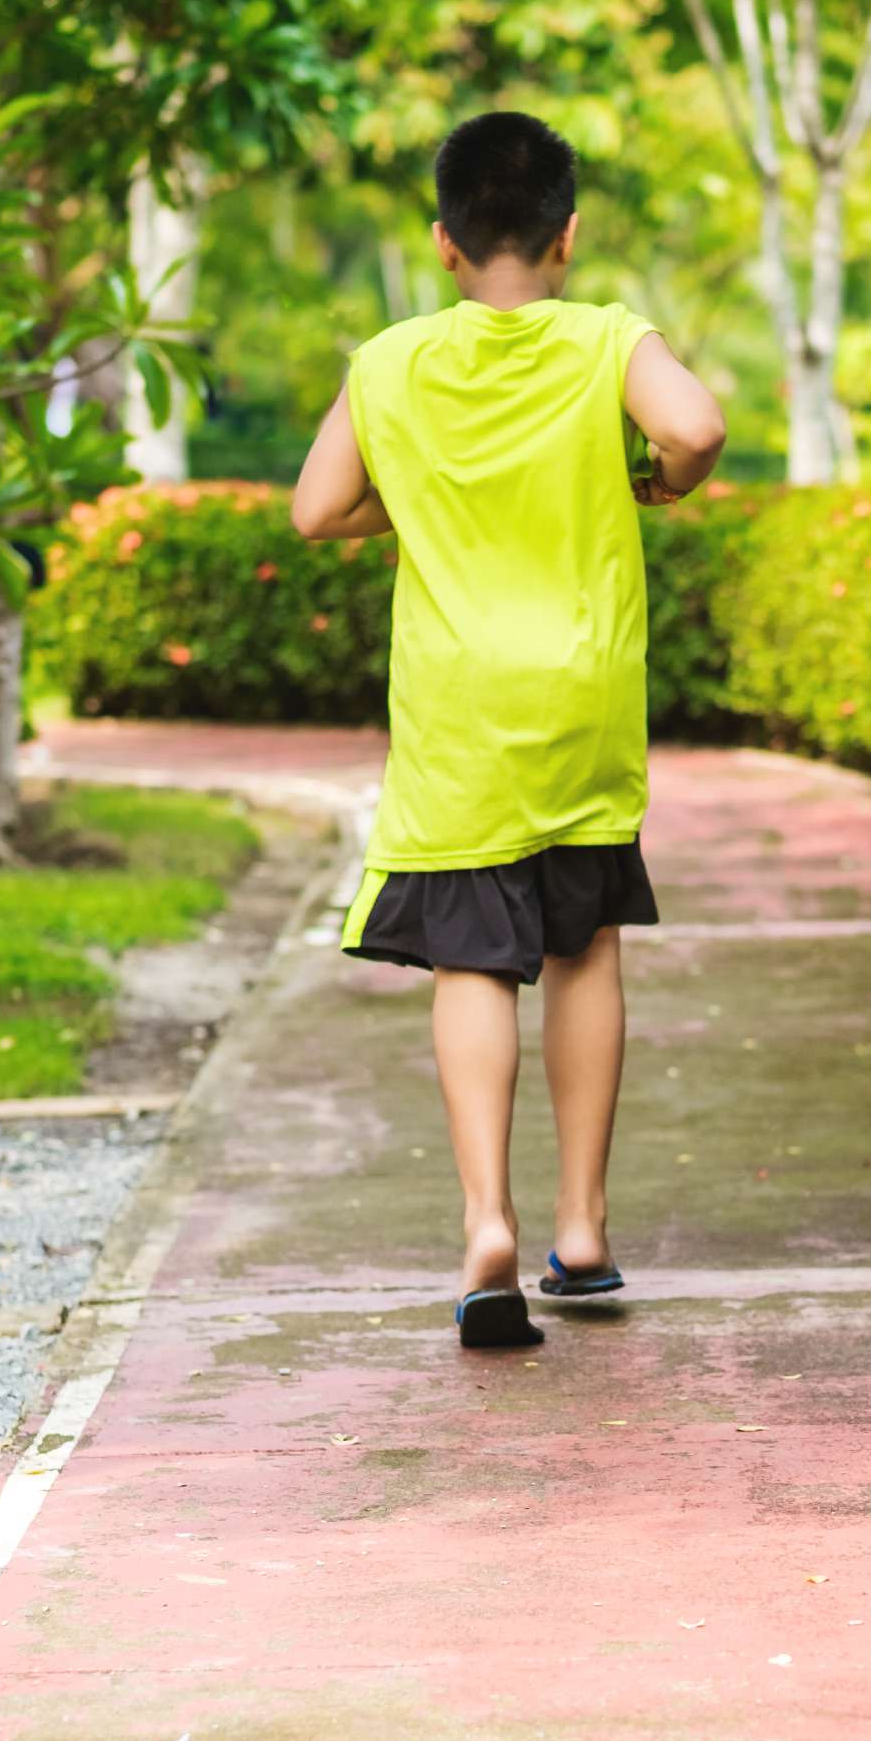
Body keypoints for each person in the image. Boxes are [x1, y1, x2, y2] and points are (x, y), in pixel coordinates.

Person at [291, 111, 727, 1349]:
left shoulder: (389, 362)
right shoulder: (604, 340)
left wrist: (418, 503)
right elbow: (693, 429)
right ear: (567, 235)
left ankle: (486, 1217)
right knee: (583, 942)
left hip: (457, 706)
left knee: (473, 958)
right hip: (581, 688)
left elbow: (316, 508)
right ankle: (580, 1232)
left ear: (442, 242)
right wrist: (654, 483)